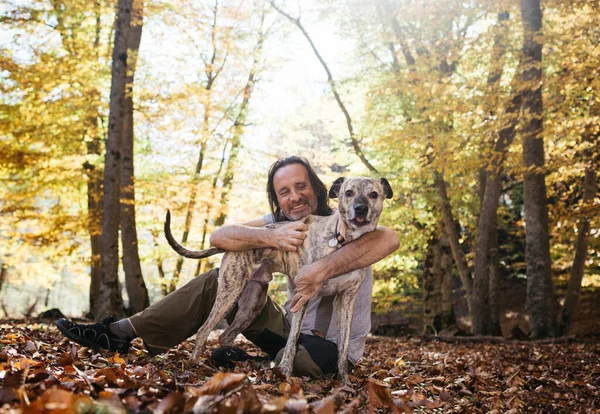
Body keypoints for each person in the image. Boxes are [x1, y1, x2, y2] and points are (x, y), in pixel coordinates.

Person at [56, 156, 399, 377]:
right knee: (221, 277)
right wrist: (272, 238)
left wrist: (319, 271)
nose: (293, 197)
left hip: (329, 347)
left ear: (320, 190)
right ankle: (119, 333)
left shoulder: (354, 217)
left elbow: (389, 240)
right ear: (277, 200)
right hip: (288, 328)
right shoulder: (282, 222)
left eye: (300, 186)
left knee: (308, 361)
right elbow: (220, 236)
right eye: (283, 192)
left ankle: (250, 362)